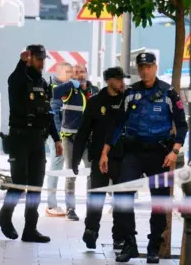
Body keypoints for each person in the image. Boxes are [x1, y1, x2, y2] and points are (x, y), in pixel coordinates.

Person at [100, 52, 188, 263]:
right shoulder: (131, 93)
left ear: (155, 67)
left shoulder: (169, 93)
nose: (144, 70)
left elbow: (182, 125)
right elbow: (118, 124)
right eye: (141, 67)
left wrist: (174, 151)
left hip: (160, 154)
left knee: (159, 201)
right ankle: (129, 243)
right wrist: (105, 151)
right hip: (134, 153)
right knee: (122, 195)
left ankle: (153, 247)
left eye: (148, 66)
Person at [0, 45, 63, 243]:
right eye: (38, 59)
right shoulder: (18, 79)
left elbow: (48, 114)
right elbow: (15, 80)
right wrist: (21, 63)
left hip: (37, 140)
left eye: (44, 59)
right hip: (19, 138)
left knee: (35, 187)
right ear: (30, 58)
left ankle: (30, 229)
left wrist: (56, 138)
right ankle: (4, 217)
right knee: (19, 184)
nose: (42, 63)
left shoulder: (43, 83)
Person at [72, 67, 128, 250]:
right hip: (99, 158)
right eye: (118, 79)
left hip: (122, 157)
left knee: (121, 199)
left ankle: (119, 236)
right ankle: (91, 231)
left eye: (122, 79)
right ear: (108, 80)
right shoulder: (96, 102)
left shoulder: (127, 101)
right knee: (96, 197)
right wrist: (75, 158)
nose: (122, 82)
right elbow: (83, 132)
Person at [53, 63, 99, 221]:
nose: (80, 74)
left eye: (82, 71)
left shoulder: (95, 91)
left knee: (90, 172)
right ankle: (70, 209)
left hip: (88, 138)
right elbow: (54, 93)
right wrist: (69, 83)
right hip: (70, 138)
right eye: (76, 72)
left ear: (87, 73)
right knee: (71, 172)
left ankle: (92, 208)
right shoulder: (69, 89)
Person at [45, 62, 74, 217]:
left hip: (60, 134)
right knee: (56, 166)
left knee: (57, 165)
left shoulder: (65, 88)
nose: (71, 74)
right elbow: (54, 115)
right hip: (57, 134)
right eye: (67, 71)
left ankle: (52, 203)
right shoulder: (56, 89)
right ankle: (51, 204)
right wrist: (58, 138)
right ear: (59, 72)